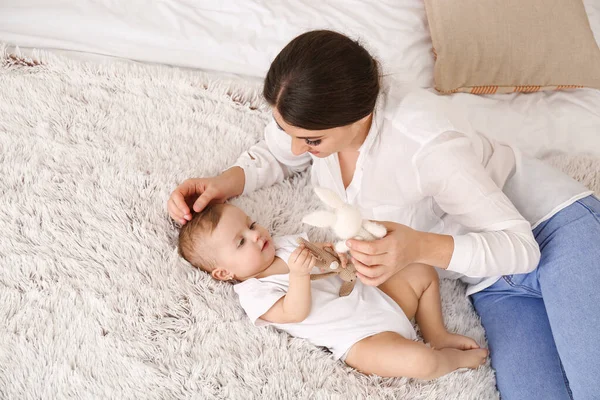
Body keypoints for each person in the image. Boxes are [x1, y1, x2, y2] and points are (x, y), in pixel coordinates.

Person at [168, 30, 600, 399]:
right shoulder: (318, 124)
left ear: (358, 116)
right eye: (288, 131)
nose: (298, 150)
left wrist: (418, 248)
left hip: (553, 232)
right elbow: (278, 154)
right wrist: (223, 183)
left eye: (312, 142)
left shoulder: (426, 145)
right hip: (489, 280)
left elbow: (520, 250)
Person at [177, 202, 488, 379]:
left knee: (422, 272)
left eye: (252, 224)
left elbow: (328, 263)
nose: (256, 235)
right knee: (423, 363)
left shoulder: (285, 245)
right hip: (361, 340)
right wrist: (298, 275)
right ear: (223, 272)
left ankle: (437, 333)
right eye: (241, 241)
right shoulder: (253, 291)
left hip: (377, 298)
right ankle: (452, 361)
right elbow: (294, 312)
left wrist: (331, 256)